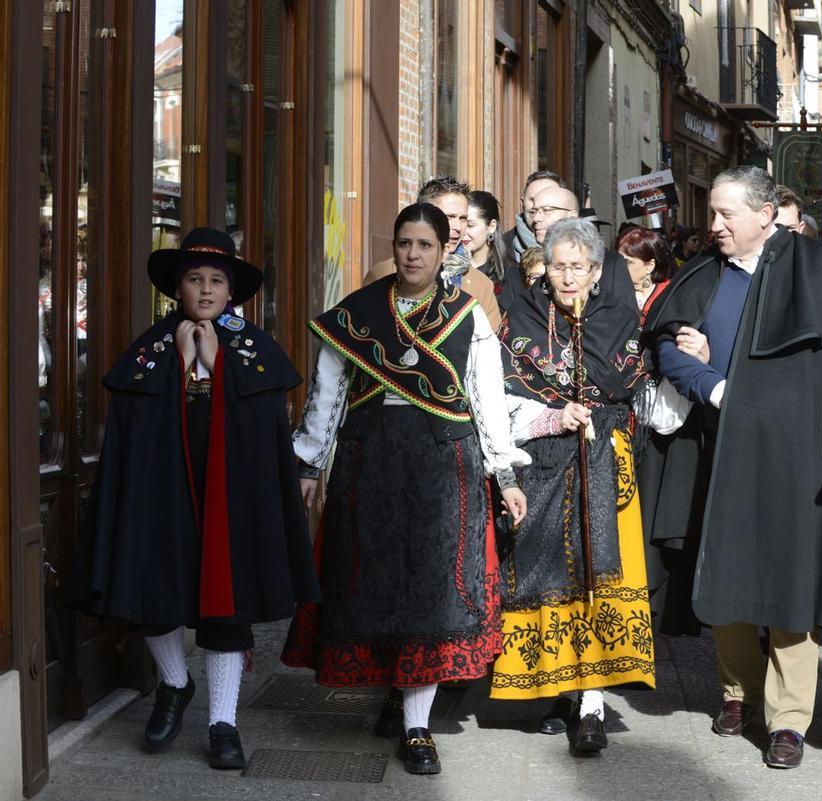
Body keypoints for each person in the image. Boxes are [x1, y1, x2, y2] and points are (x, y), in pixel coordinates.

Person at [282, 203, 529, 776]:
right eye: (404, 243)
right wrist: (309, 466)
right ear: (393, 248)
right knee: (373, 579)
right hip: (369, 464)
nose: (412, 254)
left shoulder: (469, 315)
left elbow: (488, 402)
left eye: (424, 244)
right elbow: (326, 395)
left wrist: (506, 472)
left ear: (446, 251)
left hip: (446, 467)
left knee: (431, 589)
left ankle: (417, 728)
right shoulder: (359, 312)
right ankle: (393, 691)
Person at [69, 227, 320, 769]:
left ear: (231, 292)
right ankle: (174, 683)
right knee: (154, 593)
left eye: (215, 280)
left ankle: (223, 723)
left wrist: (221, 363)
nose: (205, 289)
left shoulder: (254, 350)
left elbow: (262, 431)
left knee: (226, 610)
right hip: (165, 494)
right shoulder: (151, 349)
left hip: (230, 499)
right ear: (176, 289)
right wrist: (181, 364)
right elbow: (136, 427)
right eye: (193, 279)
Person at [644, 166, 822, 769]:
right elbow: (666, 348)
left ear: (765, 214)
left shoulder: (816, 268)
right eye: (712, 214)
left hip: (795, 456)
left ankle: (789, 720)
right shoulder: (705, 274)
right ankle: (737, 693)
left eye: (725, 214)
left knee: (790, 581)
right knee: (728, 574)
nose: (714, 227)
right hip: (720, 448)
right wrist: (712, 386)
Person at [490, 218, 655, 756]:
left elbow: (623, 379)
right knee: (550, 575)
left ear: (596, 270)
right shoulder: (523, 316)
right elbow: (502, 394)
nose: (566, 277)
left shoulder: (617, 313)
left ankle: (591, 704)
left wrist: (589, 410)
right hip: (543, 462)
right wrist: (551, 414)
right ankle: (559, 686)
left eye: (577, 267)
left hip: (605, 460)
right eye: (557, 266)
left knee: (600, 577)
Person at [365, 176, 503, 331]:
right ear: (422, 215)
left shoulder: (481, 286)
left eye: (463, 218)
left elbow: (490, 350)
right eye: (449, 217)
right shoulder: (383, 274)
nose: (457, 227)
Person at [529, 185, 637, 308]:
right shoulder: (517, 266)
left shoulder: (610, 263)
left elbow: (626, 317)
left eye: (547, 210)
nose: (536, 218)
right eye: (533, 211)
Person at [499, 170, 567, 309]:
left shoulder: (587, 253)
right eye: (533, 199)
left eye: (547, 200)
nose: (538, 206)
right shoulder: (500, 248)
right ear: (523, 202)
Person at [615, 225, 673, 315]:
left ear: (650, 265)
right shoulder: (613, 292)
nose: (619, 266)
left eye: (627, 262)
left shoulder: (669, 295)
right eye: (618, 260)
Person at [464, 189, 508, 290]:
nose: (463, 231)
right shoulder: (449, 271)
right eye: (462, 223)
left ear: (491, 226)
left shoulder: (510, 274)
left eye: (470, 225)